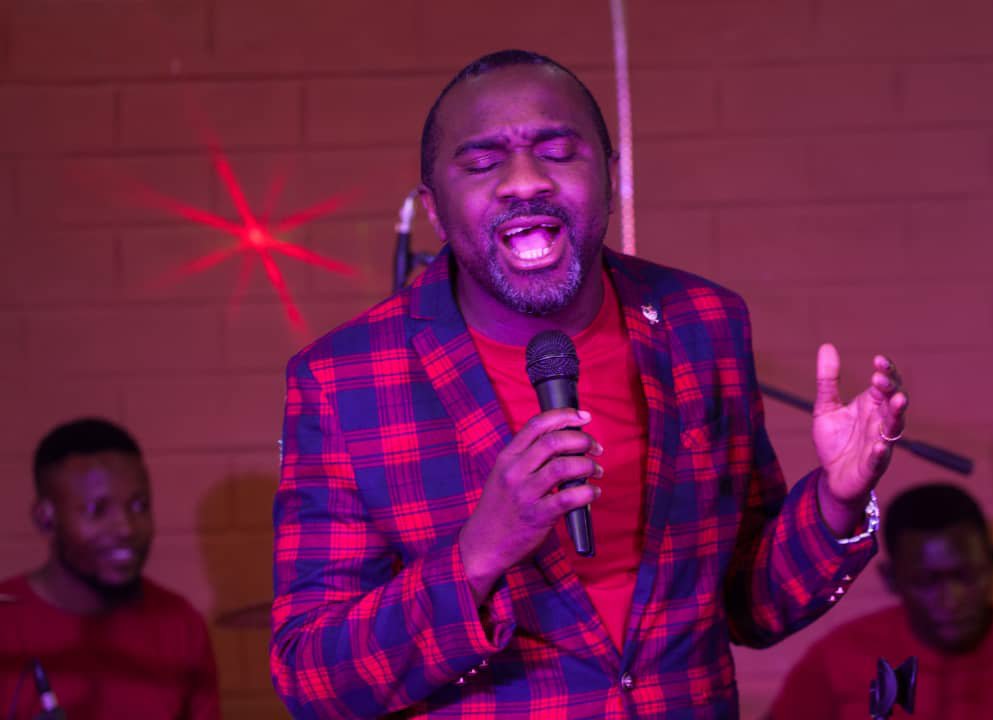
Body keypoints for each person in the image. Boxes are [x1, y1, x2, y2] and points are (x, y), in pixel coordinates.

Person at [271, 49, 908, 719]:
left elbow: (748, 603)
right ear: (434, 209)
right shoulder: (342, 380)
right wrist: (478, 552)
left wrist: (836, 501)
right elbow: (313, 681)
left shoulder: (701, 323)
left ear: (609, 176)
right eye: (482, 164)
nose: (524, 182)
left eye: (556, 152)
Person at [769, 483, 993, 719]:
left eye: (966, 576)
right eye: (926, 582)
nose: (952, 599)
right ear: (892, 579)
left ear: (992, 563)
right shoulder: (839, 659)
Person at [0, 418, 221, 720]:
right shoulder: (7, 622)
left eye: (139, 506)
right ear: (45, 519)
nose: (126, 528)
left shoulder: (181, 624)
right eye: (98, 510)